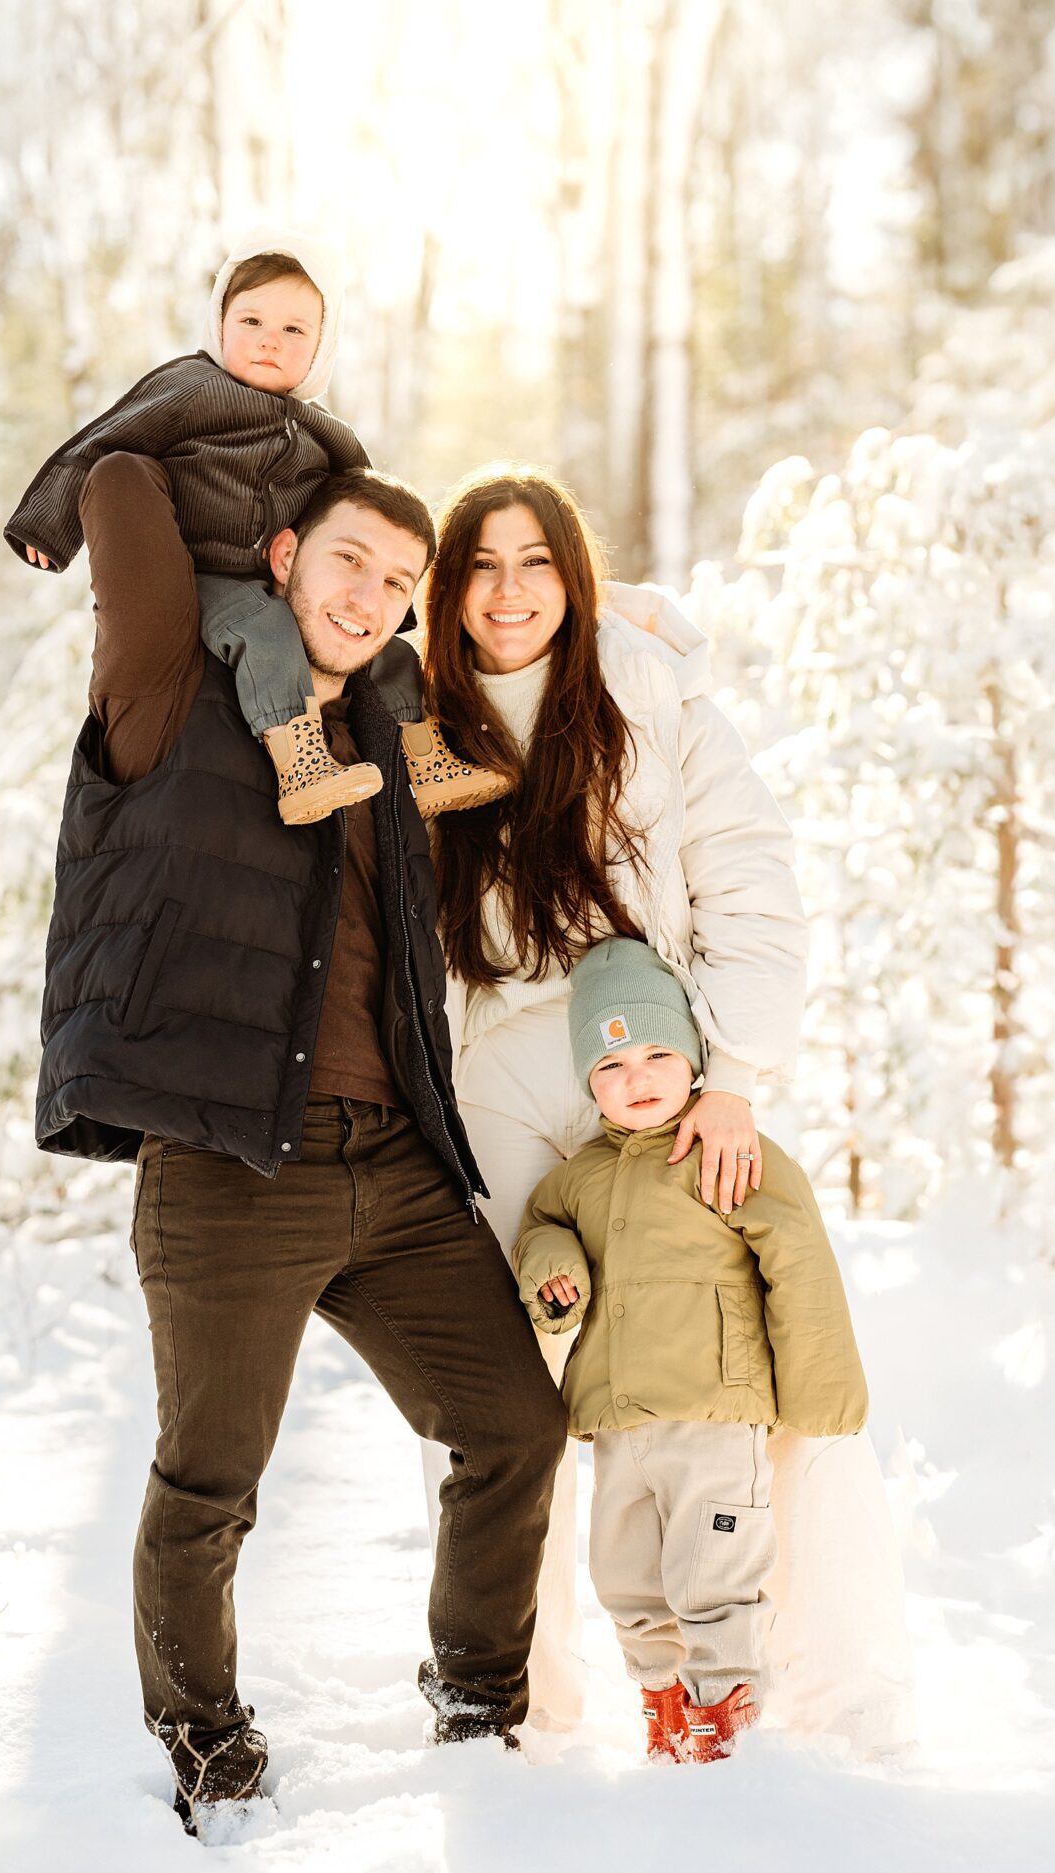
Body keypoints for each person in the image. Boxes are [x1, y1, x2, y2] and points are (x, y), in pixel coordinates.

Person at [27, 449, 566, 1836]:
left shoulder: (388, 734)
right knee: (210, 1481)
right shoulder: (170, 692)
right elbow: (123, 489)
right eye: (347, 562)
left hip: (391, 1164)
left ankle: (477, 1702)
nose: (374, 597)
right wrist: (283, 432)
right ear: (279, 559)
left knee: (514, 1425)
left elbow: (538, 678)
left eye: (399, 581)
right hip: (225, 1168)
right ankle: (206, 1741)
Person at [417, 462, 810, 1728]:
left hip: (649, 1077)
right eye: (481, 563)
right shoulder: (409, 714)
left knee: (707, 1370)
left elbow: (747, 876)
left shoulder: (650, 691)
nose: (508, 589)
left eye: (536, 560)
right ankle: (518, 1687)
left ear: (575, 576)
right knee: (497, 1395)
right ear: (447, 586)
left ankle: (745, 1669)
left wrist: (736, 1078)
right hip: (488, 1087)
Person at [5, 223, 504, 825]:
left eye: (294, 330)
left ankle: (425, 764)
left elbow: (364, 503)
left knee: (392, 655)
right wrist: (48, 525)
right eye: (252, 323)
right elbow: (104, 443)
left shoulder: (326, 431)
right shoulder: (192, 388)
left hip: (284, 577)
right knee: (265, 630)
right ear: (220, 323)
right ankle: (300, 764)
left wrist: (390, 601)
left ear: (322, 345)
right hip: (200, 574)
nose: (270, 341)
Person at [513, 939, 869, 1763]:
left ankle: (727, 1726)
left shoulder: (727, 1151)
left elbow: (799, 1259)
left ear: (695, 1058)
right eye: (610, 1066)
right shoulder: (575, 1179)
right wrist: (554, 1268)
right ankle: (665, 1707)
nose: (636, 1079)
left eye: (657, 1054)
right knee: (626, 1576)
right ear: (586, 1080)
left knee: (715, 1572)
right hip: (617, 1423)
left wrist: (821, 1390)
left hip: (714, 1410)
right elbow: (542, 1235)